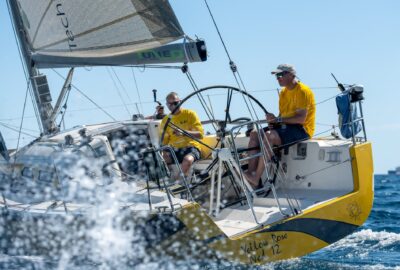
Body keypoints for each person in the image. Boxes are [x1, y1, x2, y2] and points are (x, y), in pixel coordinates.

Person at [245, 64, 316, 188]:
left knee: (269, 136)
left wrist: (278, 120)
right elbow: (282, 116)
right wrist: (274, 119)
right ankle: (251, 173)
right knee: (254, 133)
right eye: (276, 76)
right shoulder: (283, 93)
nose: (278, 78)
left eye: (280, 75)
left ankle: (256, 178)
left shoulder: (302, 91)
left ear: (291, 74)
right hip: (287, 126)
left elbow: (300, 119)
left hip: (302, 129)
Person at [160, 92, 204, 177]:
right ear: (167, 105)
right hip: (175, 150)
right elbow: (163, 142)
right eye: (170, 104)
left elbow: (200, 134)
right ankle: (168, 181)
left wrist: (183, 132)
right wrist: (164, 152)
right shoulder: (165, 120)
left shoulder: (190, 114)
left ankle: (178, 182)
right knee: (162, 159)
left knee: (187, 160)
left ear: (180, 101)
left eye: (175, 103)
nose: (173, 106)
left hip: (191, 148)